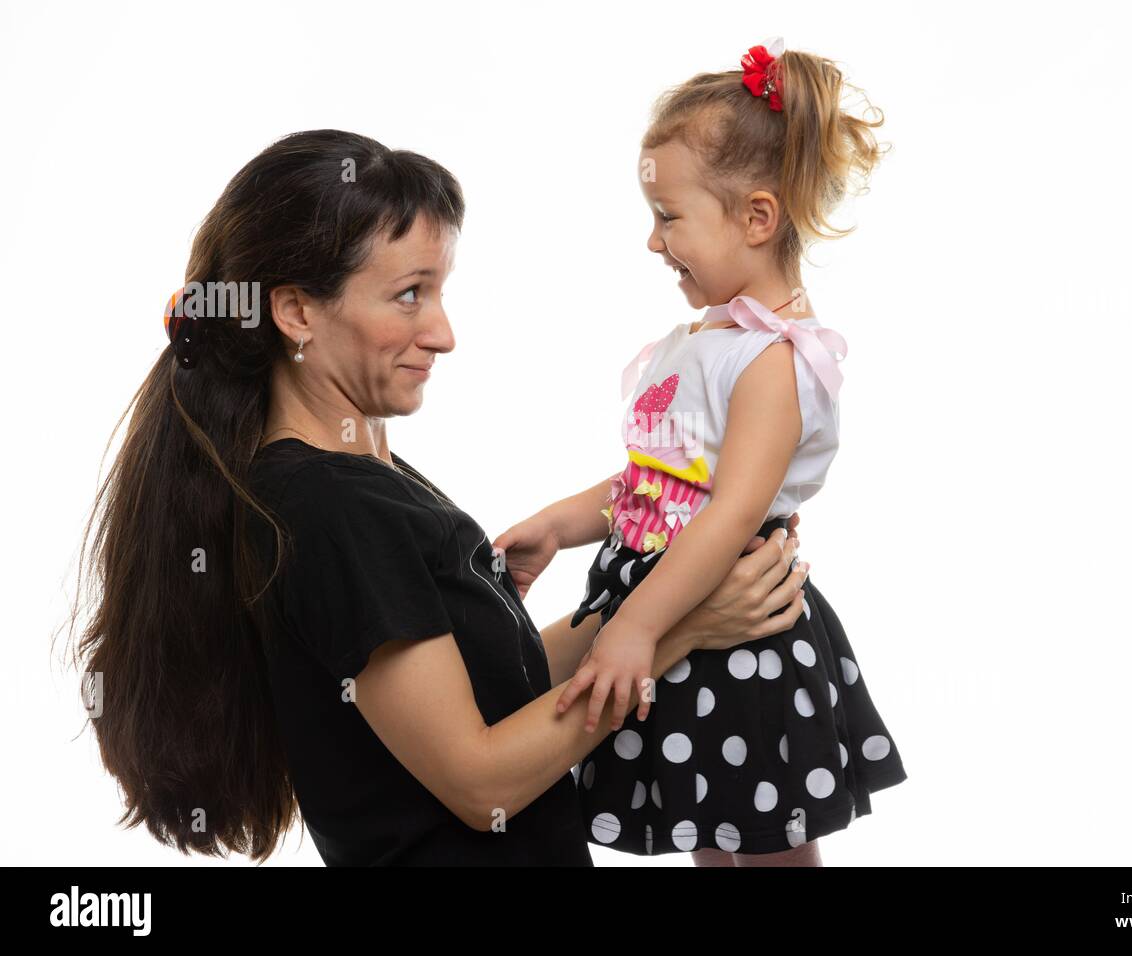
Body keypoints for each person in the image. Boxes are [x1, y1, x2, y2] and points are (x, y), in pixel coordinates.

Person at [65, 129, 809, 866]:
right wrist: (676, 636)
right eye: (409, 296)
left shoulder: (360, 476)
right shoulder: (329, 507)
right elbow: (479, 780)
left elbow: (491, 697)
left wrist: (656, 610)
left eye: (439, 293)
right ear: (295, 314)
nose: (444, 333)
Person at [491, 39, 907, 867]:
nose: (654, 242)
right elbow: (658, 482)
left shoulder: (774, 357)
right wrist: (562, 524)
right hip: (673, 613)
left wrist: (635, 630)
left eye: (669, 218)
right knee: (707, 830)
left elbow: (732, 511)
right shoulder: (709, 338)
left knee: (766, 843)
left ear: (757, 217)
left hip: (736, 631)